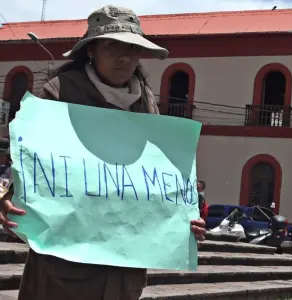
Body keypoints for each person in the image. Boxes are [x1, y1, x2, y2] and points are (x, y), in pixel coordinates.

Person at [0, 5, 205, 300]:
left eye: (133, 48)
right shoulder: (61, 92)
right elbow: (30, 159)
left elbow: (158, 177)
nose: (125, 56)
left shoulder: (147, 103)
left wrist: (183, 217)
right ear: (92, 50)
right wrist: (5, 194)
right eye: (113, 45)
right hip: (63, 268)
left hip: (125, 271)